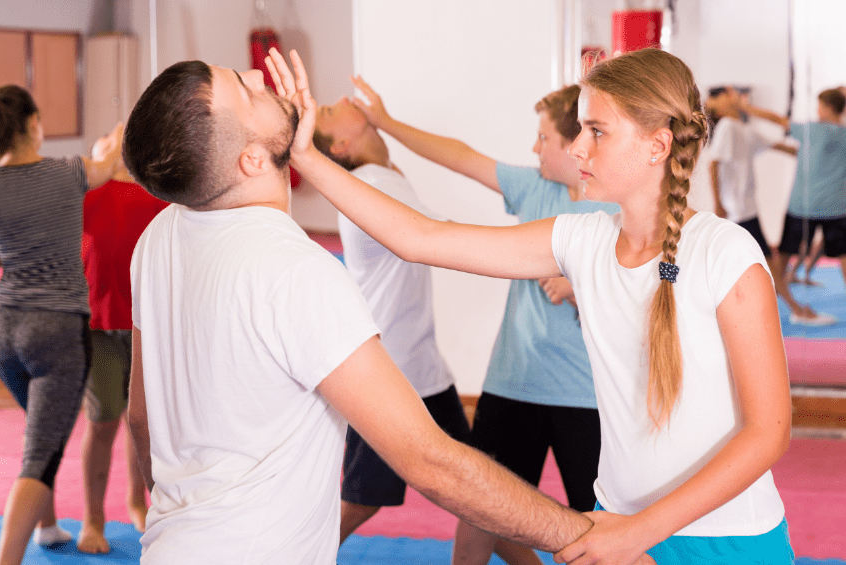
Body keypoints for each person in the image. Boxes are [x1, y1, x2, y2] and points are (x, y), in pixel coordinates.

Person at [282, 47, 794, 564]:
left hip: (730, 539)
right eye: (578, 131)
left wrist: (639, 532)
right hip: (617, 522)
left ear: (657, 145)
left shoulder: (724, 253)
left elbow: (768, 431)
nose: (577, 150)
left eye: (597, 132)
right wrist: (306, 157)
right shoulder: (583, 240)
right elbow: (422, 238)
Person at [121, 52, 617, 565]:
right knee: (387, 483)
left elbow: (142, 416)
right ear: (250, 160)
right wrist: (581, 535)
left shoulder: (158, 238)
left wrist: (186, 513)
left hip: (170, 549)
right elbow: (432, 464)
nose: (256, 75)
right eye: (245, 90)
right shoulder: (297, 272)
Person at [327, 78, 617, 565]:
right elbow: (457, 156)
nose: (534, 146)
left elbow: (657, 287)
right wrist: (387, 122)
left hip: (583, 395)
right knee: (482, 509)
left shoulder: (617, 210)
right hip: (513, 386)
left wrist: (584, 285)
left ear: (576, 147)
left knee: (592, 518)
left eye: (544, 138)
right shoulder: (534, 187)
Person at [0, 85, 122, 565]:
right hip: (58, 330)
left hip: (6, 329)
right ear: (33, 124)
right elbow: (109, 163)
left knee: (38, 428)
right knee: (40, 455)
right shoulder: (69, 171)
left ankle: (47, 528)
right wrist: (118, 135)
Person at [77, 145, 168, 553]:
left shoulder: (156, 196)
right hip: (100, 326)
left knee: (142, 419)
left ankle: (138, 499)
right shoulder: (86, 195)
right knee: (102, 423)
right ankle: (92, 517)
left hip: (146, 325)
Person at [705, 85, 834, 326]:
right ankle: (797, 310)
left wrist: (821, 154)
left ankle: (775, 308)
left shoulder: (743, 129)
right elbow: (713, 166)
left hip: (746, 208)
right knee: (765, 263)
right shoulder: (726, 127)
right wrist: (719, 204)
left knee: (756, 263)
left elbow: (781, 146)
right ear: (719, 103)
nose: (736, 96)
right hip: (737, 211)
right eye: (728, 94)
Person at [742, 88, 846, 324]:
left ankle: (774, 300)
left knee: (783, 255)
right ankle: (787, 292)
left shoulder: (810, 130)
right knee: (842, 257)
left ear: (827, 108)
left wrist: (745, 106)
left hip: (803, 207)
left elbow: (775, 118)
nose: (817, 111)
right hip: (836, 208)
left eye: (820, 106)